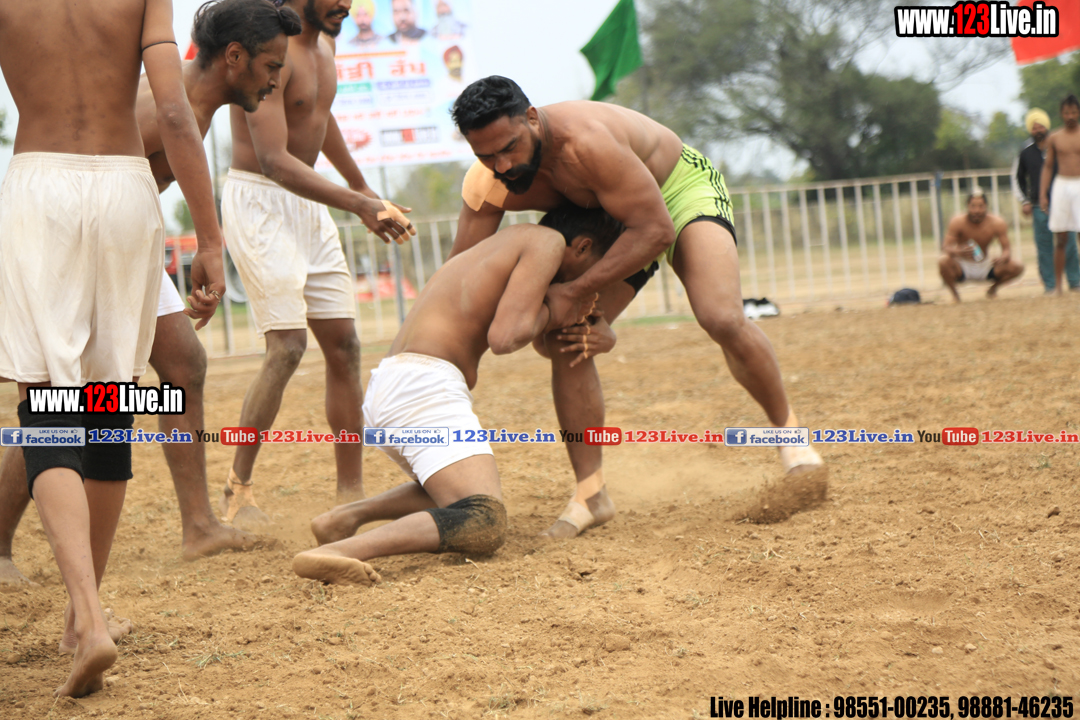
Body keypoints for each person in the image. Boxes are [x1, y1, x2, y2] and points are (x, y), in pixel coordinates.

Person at [0, 0, 302, 591]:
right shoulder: (165, 100)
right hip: (79, 233)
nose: (275, 81)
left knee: (182, 364)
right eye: (271, 66)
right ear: (234, 57)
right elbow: (89, 175)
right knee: (65, 395)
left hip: (110, 235)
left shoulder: (194, 104)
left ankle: (199, 525)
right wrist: (209, 242)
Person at [447, 76, 825, 539]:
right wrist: (444, 362)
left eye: (509, 147)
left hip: (675, 192)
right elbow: (461, 278)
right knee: (565, 338)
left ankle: (791, 438)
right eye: (486, 155)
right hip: (607, 220)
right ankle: (591, 495)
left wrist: (576, 292)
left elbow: (655, 230)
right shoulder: (489, 183)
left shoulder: (587, 144)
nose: (502, 165)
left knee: (721, 316)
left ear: (531, 119)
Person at [0, 0, 224, 698]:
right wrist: (210, 239)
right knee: (107, 403)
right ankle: (81, 618)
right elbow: (175, 111)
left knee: (47, 408)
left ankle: (89, 620)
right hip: (127, 188)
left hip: (40, 188)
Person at [292, 205, 621, 585]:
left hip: (395, 385)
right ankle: (338, 551)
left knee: (452, 495)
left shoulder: (503, 247)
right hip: (422, 389)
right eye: (597, 272)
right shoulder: (546, 242)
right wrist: (559, 308)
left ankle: (344, 518)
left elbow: (540, 340)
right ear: (582, 247)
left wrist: (587, 325)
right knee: (483, 518)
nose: (592, 286)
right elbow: (506, 337)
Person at [222, 0, 415, 529]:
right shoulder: (268, 49)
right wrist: (357, 205)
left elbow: (318, 117)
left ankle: (350, 492)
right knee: (287, 348)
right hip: (261, 200)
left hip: (309, 204)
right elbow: (273, 161)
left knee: (345, 346)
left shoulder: (325, 46)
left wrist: (363, 187)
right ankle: (239, 488)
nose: (346, 4)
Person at [1015, 107, 1080, 294]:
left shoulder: (1058, 144)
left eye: (1041, 126)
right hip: (1038, 206)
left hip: (1062, 202)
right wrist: (1025, 201)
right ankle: (1050, 286)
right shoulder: (1025, 152)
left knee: (1068, 243)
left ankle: (1075, 281)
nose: (1038, 130)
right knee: (1044, 246)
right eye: (1034, 127)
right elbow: (1018, 177)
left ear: (1047, 126)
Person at [938, 191, 1024, 302]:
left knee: (1018, 266)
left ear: (986, 206)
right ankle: (955, 296)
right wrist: (959, 251)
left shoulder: (997, 222)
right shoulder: (957, 222)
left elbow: (1007, 249)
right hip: (962, 265)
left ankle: (993, 289)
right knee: (943, 261)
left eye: (981, 206)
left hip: (986, 265)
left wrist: (1003, 258)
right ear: (967, 206)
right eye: (973, 206)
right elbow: (945, 247)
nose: (977, 211)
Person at [1040, 95, 1080, 295]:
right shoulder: (1055, 137)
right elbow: (1048, 167)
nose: (1070, 116)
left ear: (1078, 112)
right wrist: (1043, 194)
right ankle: (1057, 286)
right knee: (1061, 236)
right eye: (1066, 112)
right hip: (1061, 185)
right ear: (1061, 114)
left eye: (1073, 112)